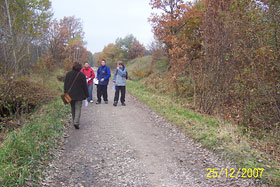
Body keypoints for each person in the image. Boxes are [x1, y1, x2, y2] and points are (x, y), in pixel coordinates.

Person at [64, 62, 89, 129]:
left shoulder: (68, 74)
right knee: (78, 108)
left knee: (72, 108)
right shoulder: (82, 75)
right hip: (79, 95)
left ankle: (74, 120)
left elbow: (65, 85)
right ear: (80, 68)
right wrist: (87, 95)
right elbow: (85, 86)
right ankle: (76, 122)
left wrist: (65, 93)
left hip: (70, 95)